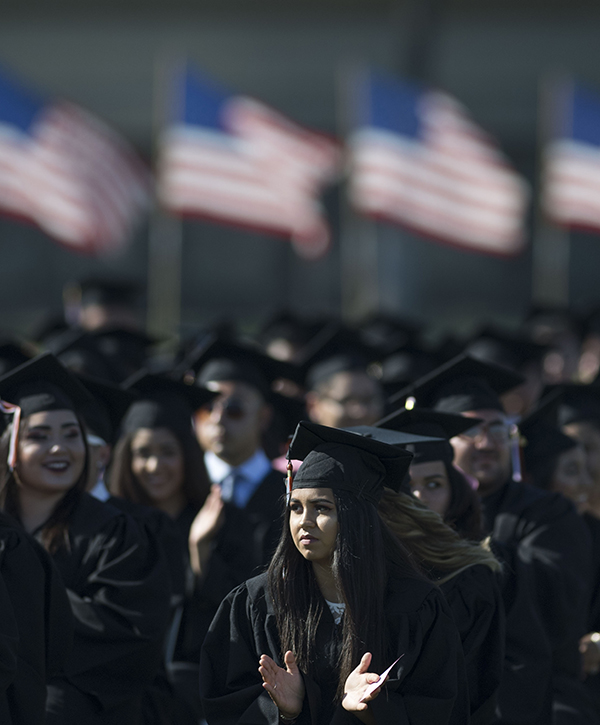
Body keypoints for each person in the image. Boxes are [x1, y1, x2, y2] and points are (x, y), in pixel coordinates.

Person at [200, 420, 470, 724]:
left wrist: (375, 711)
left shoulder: (415, 606)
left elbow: (441, 709)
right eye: (296, 507)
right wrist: (283, 711)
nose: (305, 521)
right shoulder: (257, 602)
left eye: (322, 508)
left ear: (355, 516)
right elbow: (224, 707)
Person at [395, 354, 595, 725]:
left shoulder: (549, 512)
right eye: (471, 431)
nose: (487, 443)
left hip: (541, 688)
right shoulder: (410, 518)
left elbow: (556, 604)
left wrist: (460, 553)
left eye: (499, 430)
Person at [0, 353, 172, 724]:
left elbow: (131, 632)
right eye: (39, 436)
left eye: (71, 434)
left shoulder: (118, 533)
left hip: (83, 701)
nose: (60, 447)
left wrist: (26, 599)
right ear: (9, 448)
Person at [110, 370, 254, 724]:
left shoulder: (227, 522)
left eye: (168, 452)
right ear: (125, 459)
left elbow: (240, 617)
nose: (155, 466)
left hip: (199, 696)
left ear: (187, 456)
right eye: (143, 453)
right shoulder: (111, 526)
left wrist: (200, 550)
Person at [374, 408, 504, 724]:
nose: (419, 497)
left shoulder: (471, 577)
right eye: (407, 487)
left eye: (434, 484)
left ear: (454, 492)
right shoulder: (363, 569)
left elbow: (477, 686)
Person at [178, 337, 298, 573]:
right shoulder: (179, 488)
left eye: (234, 408)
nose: (217, 419)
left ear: (263, 417)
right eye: (207, 408)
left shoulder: (290, 494)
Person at [300, 325, 386, 429]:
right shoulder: (289, 445)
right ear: (313, 406)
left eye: (368, 400)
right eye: (346, 400)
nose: (360, 412)